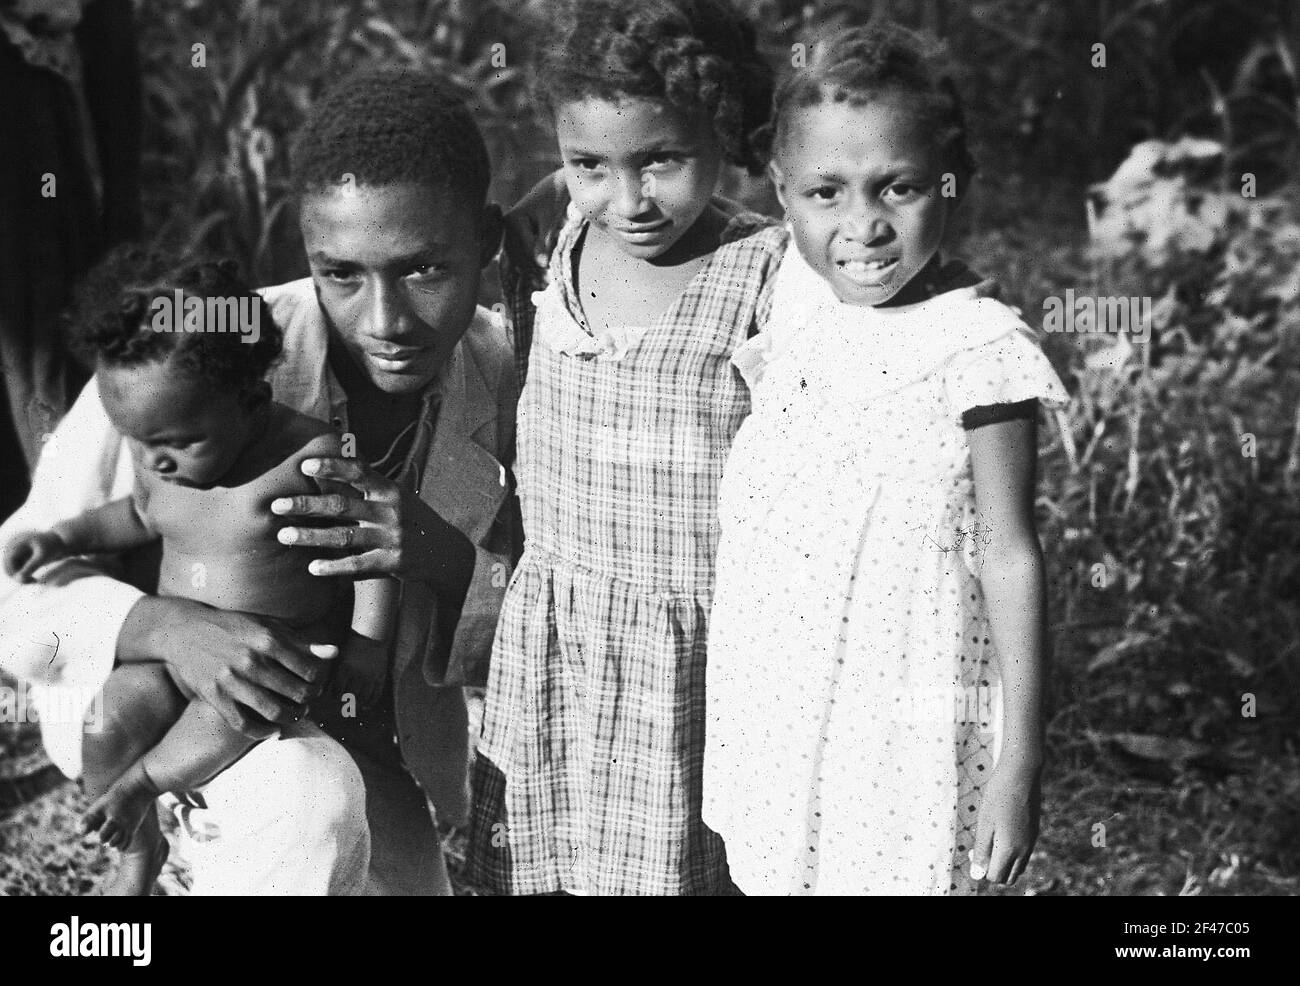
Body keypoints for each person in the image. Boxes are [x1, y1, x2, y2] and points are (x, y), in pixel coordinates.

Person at [0, 66, 518, 896]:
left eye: (424, 269)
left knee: (347, 822)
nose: (384, 322)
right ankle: (166, 841)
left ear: (487, 242)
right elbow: (13, 596)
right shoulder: (195, 351)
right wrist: (166, 627)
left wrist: (441, 554)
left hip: (364, 743)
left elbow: (550, 621)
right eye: (340, 273)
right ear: (305, 252)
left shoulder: (513, 376)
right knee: (308, 802)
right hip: (173, 724)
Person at [702, 23, 1067, 895]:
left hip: (904, 708)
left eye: (897, 188)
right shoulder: (795, 293)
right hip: (781, 695)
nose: (862, 225)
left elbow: (1011, 554)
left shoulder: (978, 350)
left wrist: (1021, 762)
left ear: (954, 185)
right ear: (782, 196)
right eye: (826, 192)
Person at [467, 0, 781, 895]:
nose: (629, 200)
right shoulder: (557, 241)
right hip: (556, 638)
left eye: (661, 161)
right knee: (544, 862)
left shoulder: (766, 273)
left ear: (722, 132)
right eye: (589, 166)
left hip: (689, 656)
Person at [3, 252, 398, 895]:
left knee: (228, 721)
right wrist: (60, 536)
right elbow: (134, 514)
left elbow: (373, 550)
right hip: (169, 665)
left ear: (252, 400)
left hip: (270, 669)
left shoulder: (306, 459)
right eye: (140, 442)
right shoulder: (166, 462)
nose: (158, 462)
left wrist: (368, 648)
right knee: (107, 723)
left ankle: (145, 786)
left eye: (181, 442)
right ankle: (138, 850)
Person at [0, 0, 142, 517]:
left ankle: (57, 534)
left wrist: (124, 204)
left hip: (24, 126)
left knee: (40, 350)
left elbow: (108, 27)